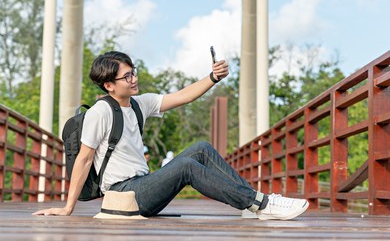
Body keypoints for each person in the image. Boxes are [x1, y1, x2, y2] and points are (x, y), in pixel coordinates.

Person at [33, 51, 308, 220]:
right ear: (109, 85)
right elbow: (83, 159)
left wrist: (212, 78)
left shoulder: (139, 103)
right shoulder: (100, 112)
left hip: (143, 185)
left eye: (133, 73)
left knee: (200, 148)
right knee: (187, 166)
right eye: (126, 76)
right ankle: (263, 203)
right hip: (125, 194)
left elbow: (181, 97)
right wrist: (67, 207)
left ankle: (249, 203)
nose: (134, 79)